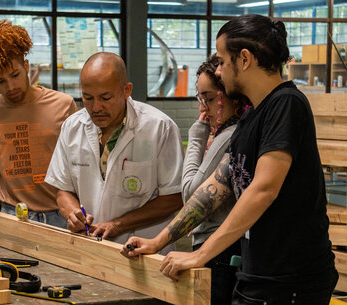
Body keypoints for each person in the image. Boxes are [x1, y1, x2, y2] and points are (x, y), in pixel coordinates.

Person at [122, 14, 337, 305]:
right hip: (257, 273)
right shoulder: (251, 117)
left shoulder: (286, 104)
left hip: (290, 281)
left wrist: (199, 254)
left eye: (222, 61)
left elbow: (263, 190)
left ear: (245, 59)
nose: (219, 71)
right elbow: (216, 186)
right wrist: (158, 241)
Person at [45, 52, 184, 249]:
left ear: (126, 90)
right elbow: (62, 189)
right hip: (91, 249)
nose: (96, 107)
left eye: (105, 97)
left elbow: (174, 198)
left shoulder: (159, 128)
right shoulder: (72, 127)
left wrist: (118, 225)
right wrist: (73, 213)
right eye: (88, 98)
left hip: (144, 252)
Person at [0, 20, 78, 229]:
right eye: (0, 81)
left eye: (15, 75)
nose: (10, 87)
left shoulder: (63, 105)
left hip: (62, 217)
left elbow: (81, 165)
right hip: (13, 216)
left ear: (26, 67)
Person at [182, 55, 249, 305]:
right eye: (200, 99)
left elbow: (190, 194)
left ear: (231, 93)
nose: (203, 108)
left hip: (219, 253)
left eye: (210, 99)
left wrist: (196, 134)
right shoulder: (230, 132)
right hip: (223, 250)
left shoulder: (230, 135)